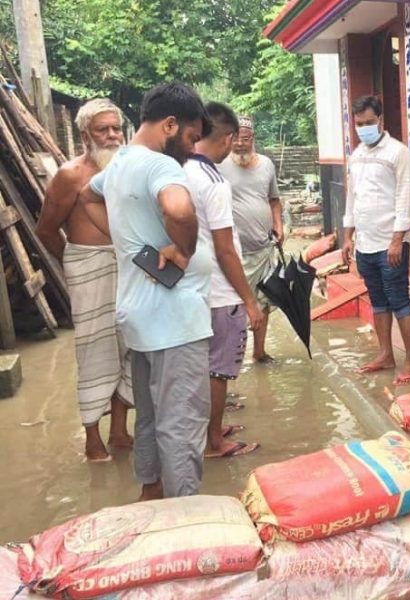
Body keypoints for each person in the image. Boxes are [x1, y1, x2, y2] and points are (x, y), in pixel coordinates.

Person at [79, 82, 213, 500]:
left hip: (138, 316)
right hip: (175, 322)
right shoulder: (160, 166)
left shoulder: (119, 164)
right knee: (183, 424)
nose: (191, 149)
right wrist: (183, 249)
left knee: (152, 418)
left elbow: (87, 197)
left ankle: (150, 494)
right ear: (170, 124)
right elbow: (178, 208)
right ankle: (186, 520)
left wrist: (128, 245)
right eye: (191, 137)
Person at [36, 98, 133, 462]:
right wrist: (74, 263)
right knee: (93, 351)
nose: (111, 136)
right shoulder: (70, 175)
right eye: (102, 130)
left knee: (130, 345)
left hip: (127, 265)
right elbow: (46, 230)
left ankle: (120, 432)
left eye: (115, 128)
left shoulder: (128, 167)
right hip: (86, 267)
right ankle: (93, 440)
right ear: (84, 136)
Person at [184, 102, 264, 458]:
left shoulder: (179, 169)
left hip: (191, 288)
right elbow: (225, 249)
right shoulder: (214, 181)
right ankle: (213, 441)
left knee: (201, 366)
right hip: (218, 290)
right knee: (219, 369)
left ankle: (207, 429)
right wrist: (249, 300)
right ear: (229, 138)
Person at [341, 95, 410, 385]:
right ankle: (385, 353)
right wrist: (348, 237)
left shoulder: (399, 153)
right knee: (378, 302)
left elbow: (406, 198)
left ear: (381, 120)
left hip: (391, 244)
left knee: (399, 300)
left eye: (369, 123)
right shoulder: (356, 155)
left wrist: (398, 239)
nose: (364, 128)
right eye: (359, 124)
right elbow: (353, 197)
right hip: (365, 244)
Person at [218, 116, 282, 364]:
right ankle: (230, 359)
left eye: (245, 139)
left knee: (263, 301)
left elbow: (274, 200)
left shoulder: (266, 164)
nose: (240, 144)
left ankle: (259, 351)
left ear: (252, 139)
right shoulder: (220, 165)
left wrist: (278, 225)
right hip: (232, 252)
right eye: (235, 139)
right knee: (234, 305)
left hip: (263, 247)